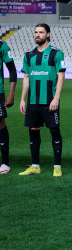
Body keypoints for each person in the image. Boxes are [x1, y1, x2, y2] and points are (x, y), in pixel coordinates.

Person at [18, 24, 66, 176]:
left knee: (54, 131)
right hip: (33, 102)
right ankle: (35, 166)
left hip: (50, 101)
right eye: (36, 32)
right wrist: (22, 99)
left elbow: (61, 76)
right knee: (33, 131)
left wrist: (56, 98)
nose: (37, 35)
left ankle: (57, 166)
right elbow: (26, 77)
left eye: (41, 32)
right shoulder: (29, 55)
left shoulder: (56, 53)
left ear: (48, 34)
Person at [0, 38, 17, 174]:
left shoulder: (2, 46)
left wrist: (11, 93)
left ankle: (5, 162)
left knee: (0, 124)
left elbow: (12, 70)